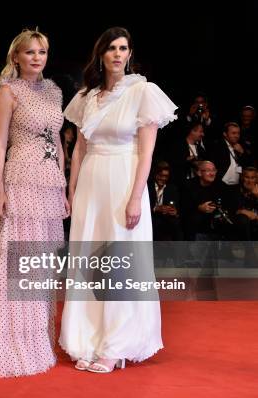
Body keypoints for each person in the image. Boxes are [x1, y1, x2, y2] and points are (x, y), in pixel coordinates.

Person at [59, 27, 177, 373]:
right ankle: (88, 340)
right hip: (91, 186)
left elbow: (146, 154)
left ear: (129, 54)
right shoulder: (85, 96)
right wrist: (72, 189)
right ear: (101, 53)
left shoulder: (143, 92)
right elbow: (79, 149)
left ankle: (117, 345)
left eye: (123, 48)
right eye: (111, 48)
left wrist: (136, 198)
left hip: (124, 181)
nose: (117, 54)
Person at [0, 29, 68, 377]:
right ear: (16, 57)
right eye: (30, 52)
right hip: (20, 179)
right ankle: (15, 343)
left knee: (42, 266)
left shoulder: (54, 91)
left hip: (50, 184)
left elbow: (60, 142)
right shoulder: (8, 91)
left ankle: (38, 339)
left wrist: (63, 187)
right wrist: (0, 190)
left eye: (43, 52)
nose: (37, 58)